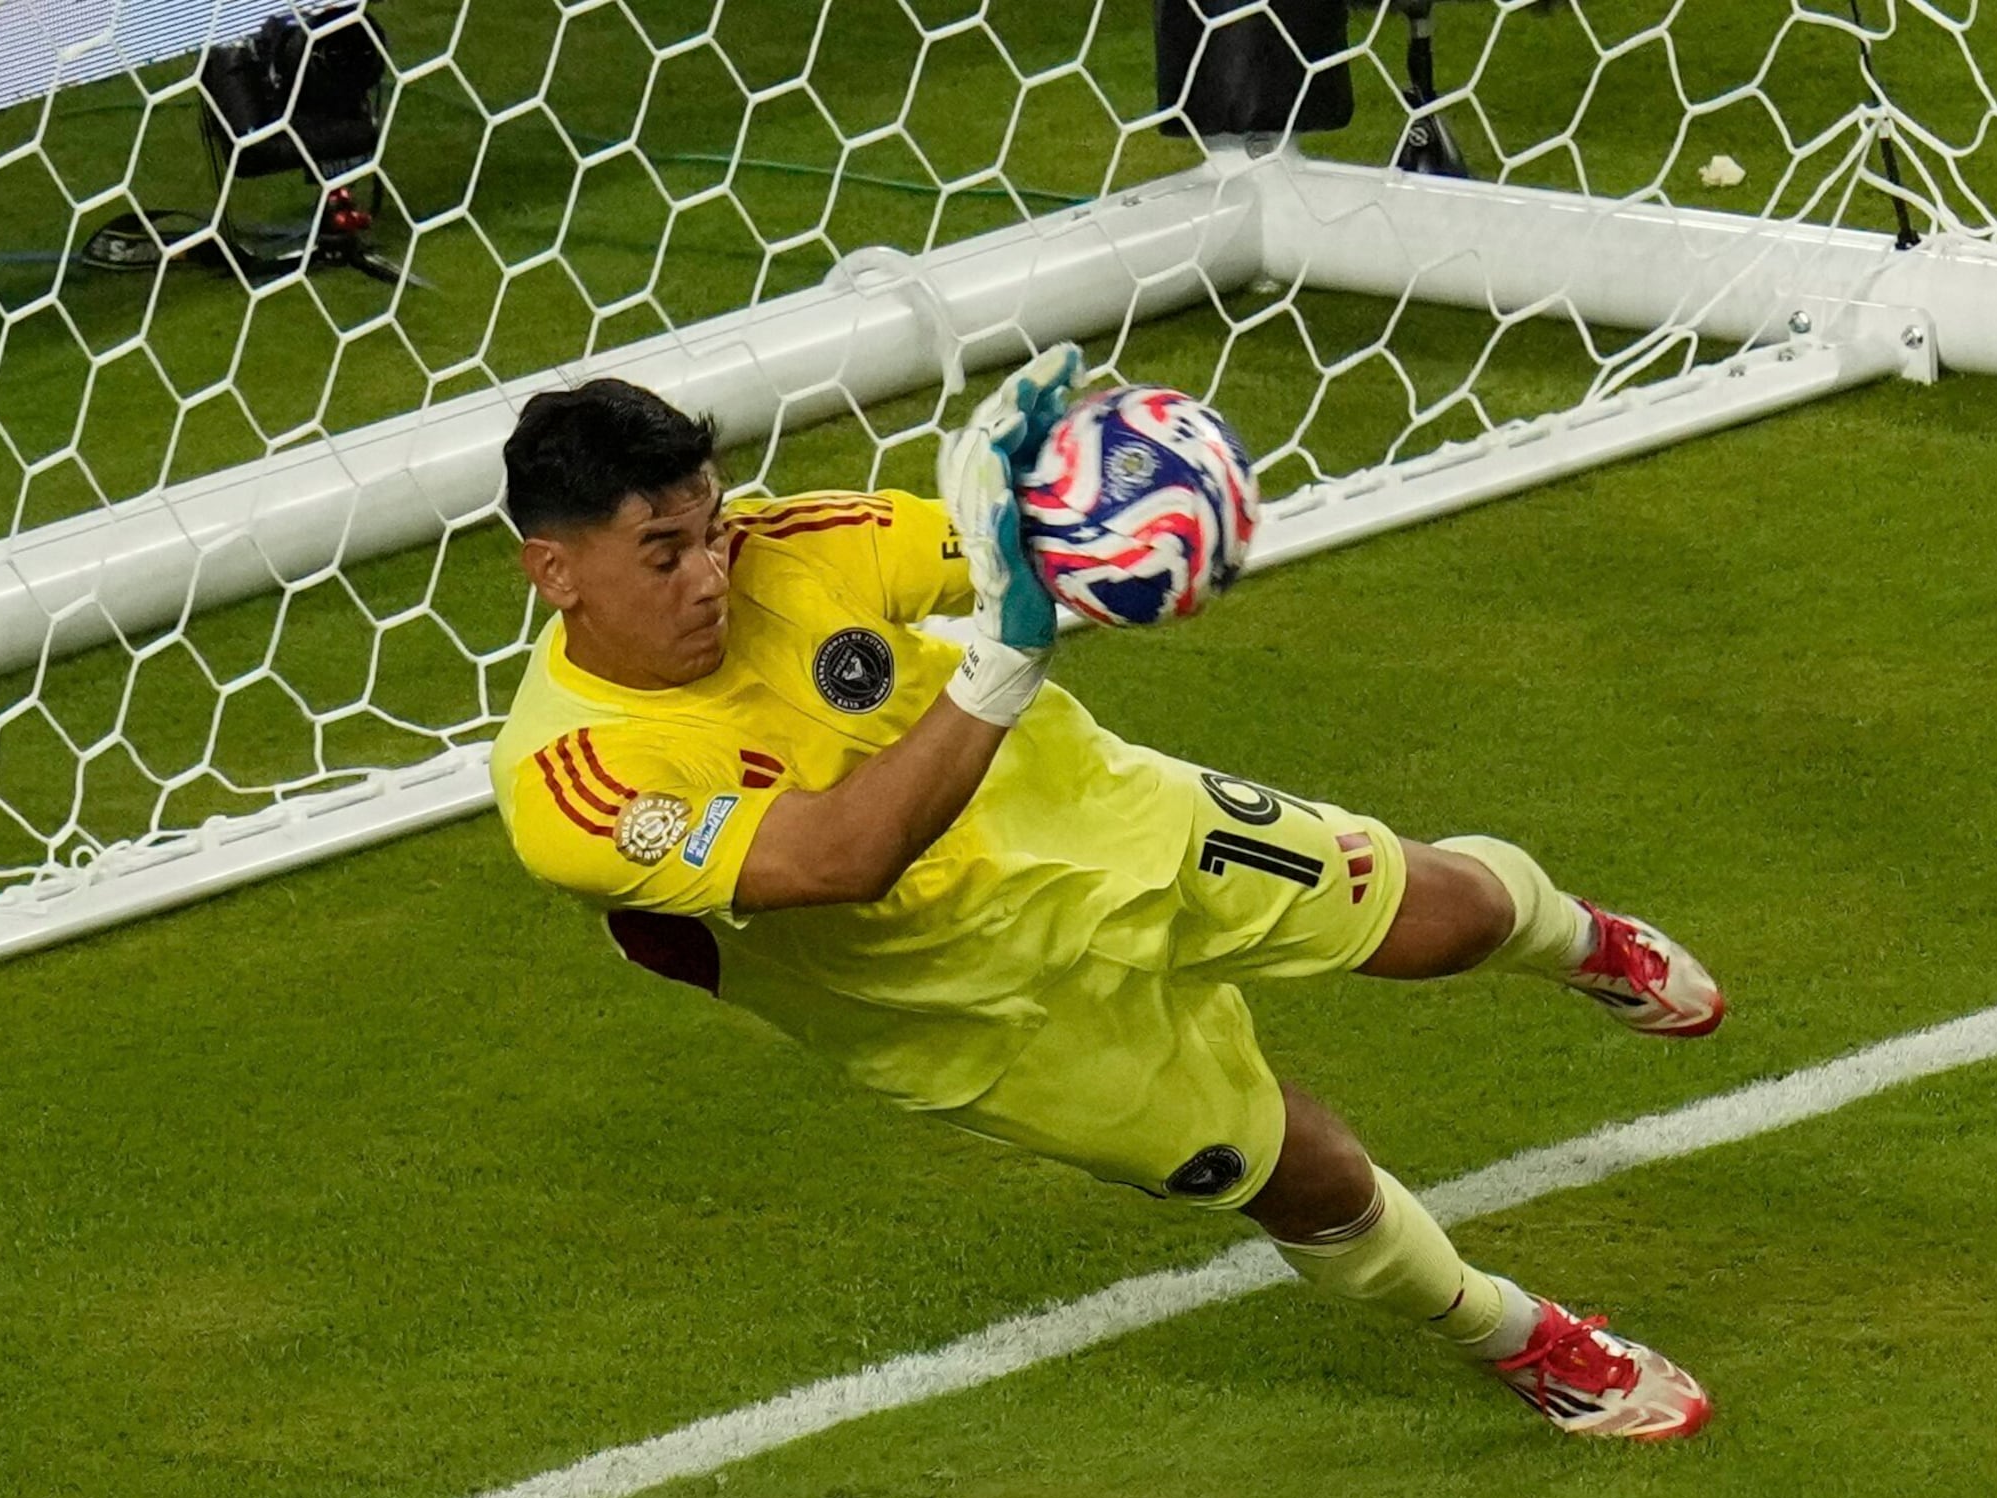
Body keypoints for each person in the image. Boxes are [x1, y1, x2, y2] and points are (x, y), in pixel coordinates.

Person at [488, 350, 1725, 1440]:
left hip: (1108, 825)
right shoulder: (572, 781)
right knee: (1303, 1174)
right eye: (664, 554)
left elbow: (1004, 548)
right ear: (557, 570)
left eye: (709, 528)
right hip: (972, 1017)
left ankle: (1578, 940)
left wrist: (1019, 498)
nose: (710, 571)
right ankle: (1514, 1337)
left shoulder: (786, 544)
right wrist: (1003, 660)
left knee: (1448, 920)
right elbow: (838, 859)